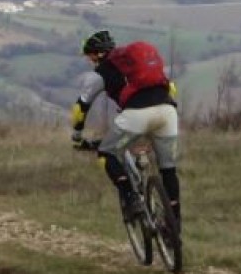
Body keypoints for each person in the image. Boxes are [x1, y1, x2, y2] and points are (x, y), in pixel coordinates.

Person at [70, 30, 181, 236]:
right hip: (167, 112)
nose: (89, 60)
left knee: (107, 153)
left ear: (95, 55)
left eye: (89, 56)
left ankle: (130, 197)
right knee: (168, 170)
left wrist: (77, 137)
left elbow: (80, 108)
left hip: (136, 116)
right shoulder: (135, 65)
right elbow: (171, 89)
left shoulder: (100, 72)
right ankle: (174, 227)